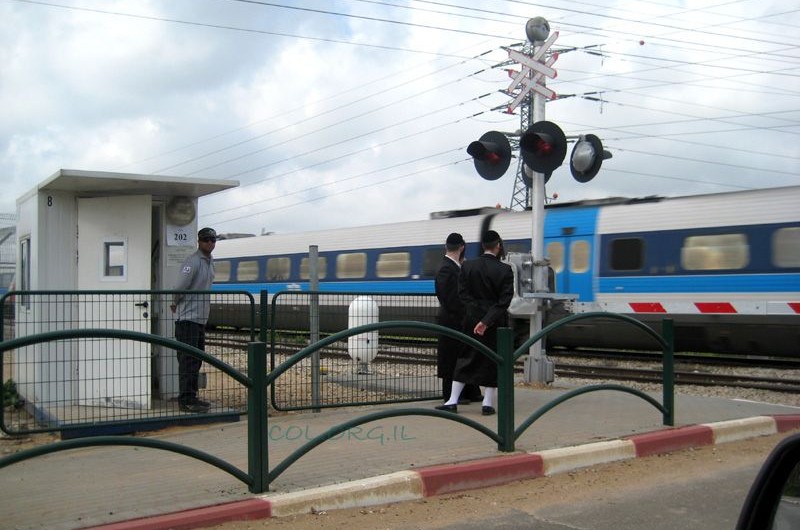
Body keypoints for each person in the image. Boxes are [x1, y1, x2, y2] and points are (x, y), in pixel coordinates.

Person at [436, 230, 514, 416]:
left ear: (482, 246)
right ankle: (487, 403)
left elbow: (463, 294)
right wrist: (487, 320)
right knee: (492, 361)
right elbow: (504, 301)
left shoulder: (468, 266)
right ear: (498, 246)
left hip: (471, 320)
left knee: (465, 357)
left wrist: (476, 316)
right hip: (495, 322)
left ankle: (452, 401)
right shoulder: (505, 270)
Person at [171, 227, 217, 413]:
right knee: (188, 360)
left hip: (199, 319)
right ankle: (186, 400)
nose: (210, 243)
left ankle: (192, 396)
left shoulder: (210, 262)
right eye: (206, 239)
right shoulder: (193, 262)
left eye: (213, 240)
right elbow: (180, 286)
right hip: (188, 318)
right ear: (199, 241)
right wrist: (175, 303)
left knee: (196, 360)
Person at [434, 233, 482, 404]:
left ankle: (470, 391)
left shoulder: (453, 266)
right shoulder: (447, 268)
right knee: (451, 359)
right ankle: (451, 395)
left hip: (457, 319)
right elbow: (450, 299)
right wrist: (465, 314)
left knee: (462, 357)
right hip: (453, 321)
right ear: (461, 247)